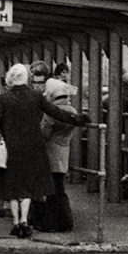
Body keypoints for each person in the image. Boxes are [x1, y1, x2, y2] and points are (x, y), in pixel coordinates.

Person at [0, 63, 87, 238]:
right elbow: (55, 112)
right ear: (26, 79)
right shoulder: (36, 97)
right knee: (29, 187)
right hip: (34, 148)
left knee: (14, 186)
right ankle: (25, 221)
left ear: (10, 80)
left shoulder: (4, 98)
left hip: (13, 147)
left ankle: (16, 224)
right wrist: (77, 118)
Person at [35, 76, 80, 232]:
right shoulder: (72, 111)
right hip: (64, 150)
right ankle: (66, 221)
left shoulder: (52, 112)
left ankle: (51, 222)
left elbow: (44, 132)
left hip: (50, 152)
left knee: (51, 191)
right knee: (60, 189)